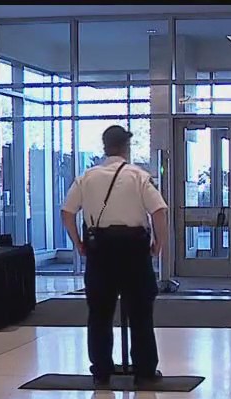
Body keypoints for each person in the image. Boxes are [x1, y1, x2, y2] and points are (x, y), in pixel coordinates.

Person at [60, 125, 168, 384]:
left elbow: (67, 212)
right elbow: (159, 211)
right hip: (134, 250)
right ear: (126, 148)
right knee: (140, 312)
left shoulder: (87, 177)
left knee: (99, 312)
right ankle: (144, 371)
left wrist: (78, 243)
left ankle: (101, 371)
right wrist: (158, 243)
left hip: (100, 250)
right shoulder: (138, 176)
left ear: (105, 146)